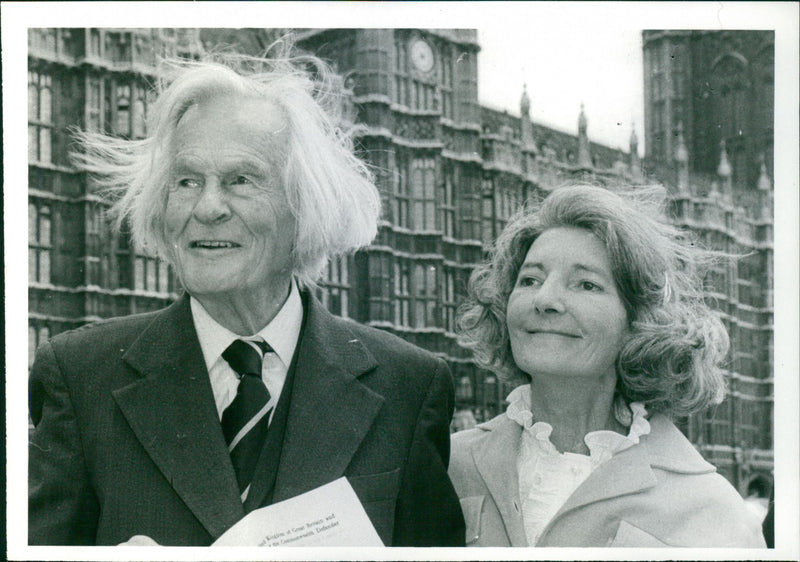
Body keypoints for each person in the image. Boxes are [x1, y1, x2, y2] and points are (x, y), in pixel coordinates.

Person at [28, 49, 464, 547]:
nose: (207, 207)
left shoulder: (407, 387)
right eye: (186, 181)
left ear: (307, 204)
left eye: (241, 180)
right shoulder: (82, 376)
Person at [449, 184, 766, 547]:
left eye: (585, 284)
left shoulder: (712, 511)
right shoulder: (449, 465)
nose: (544, 299)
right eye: (530, 279)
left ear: (640, 320)